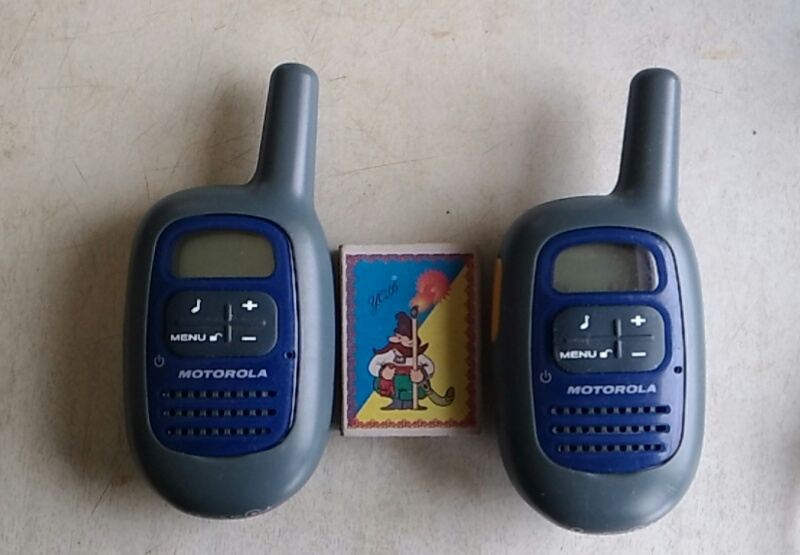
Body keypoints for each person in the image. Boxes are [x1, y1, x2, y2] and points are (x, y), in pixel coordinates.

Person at [368, 312, 435, 410]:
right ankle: (396, 402)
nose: (394, 340)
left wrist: (422, 373)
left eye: (400, 338)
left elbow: (430, 366)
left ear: (411, 342)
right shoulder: (389, 354)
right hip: (393, 384)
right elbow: (373, 365)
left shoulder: (417, 356)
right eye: (397, 336)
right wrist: (382, 372)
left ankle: (411, 403)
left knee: (417, 386)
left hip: (411, 384)